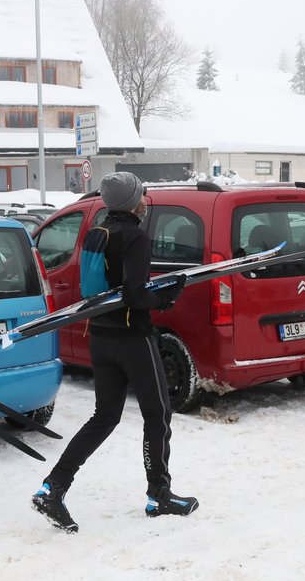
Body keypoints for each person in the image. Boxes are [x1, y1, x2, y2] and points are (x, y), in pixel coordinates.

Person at [31, 171, 196, 533]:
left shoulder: (96, 231)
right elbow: (136, 295)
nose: (145, 199)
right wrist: (166, 297)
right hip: (133, 338)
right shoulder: (135, 236)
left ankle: (53, 488)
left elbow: (106, 288)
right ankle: (159, 494)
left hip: (101, 336)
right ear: (132, 201)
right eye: (142, 194)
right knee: (158, 415)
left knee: (104, 417)